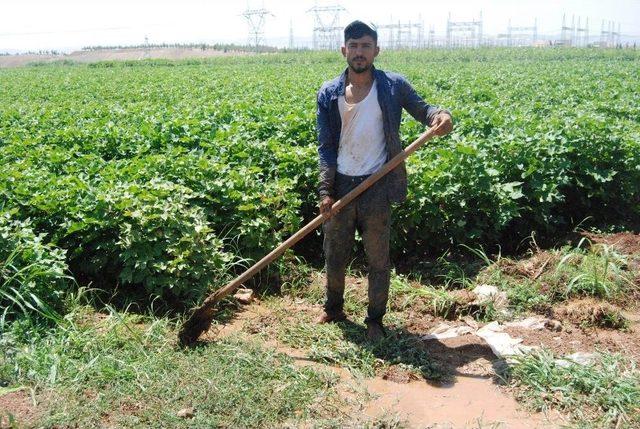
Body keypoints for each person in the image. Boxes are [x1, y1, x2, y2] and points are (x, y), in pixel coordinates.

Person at [315, 20, 453, 341]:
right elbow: (325, 147)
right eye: (354, 46)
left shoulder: (393, 86)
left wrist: (440, 117)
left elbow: (425, 110)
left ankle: (375, 319)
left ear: (376, 50)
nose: (359, 52)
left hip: (377, 185)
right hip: (341, 187)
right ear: (343, 50)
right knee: (335, 255)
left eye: (366, 46)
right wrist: (325, 190)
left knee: (378, 258)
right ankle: (334, 308)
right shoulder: (328, 94)